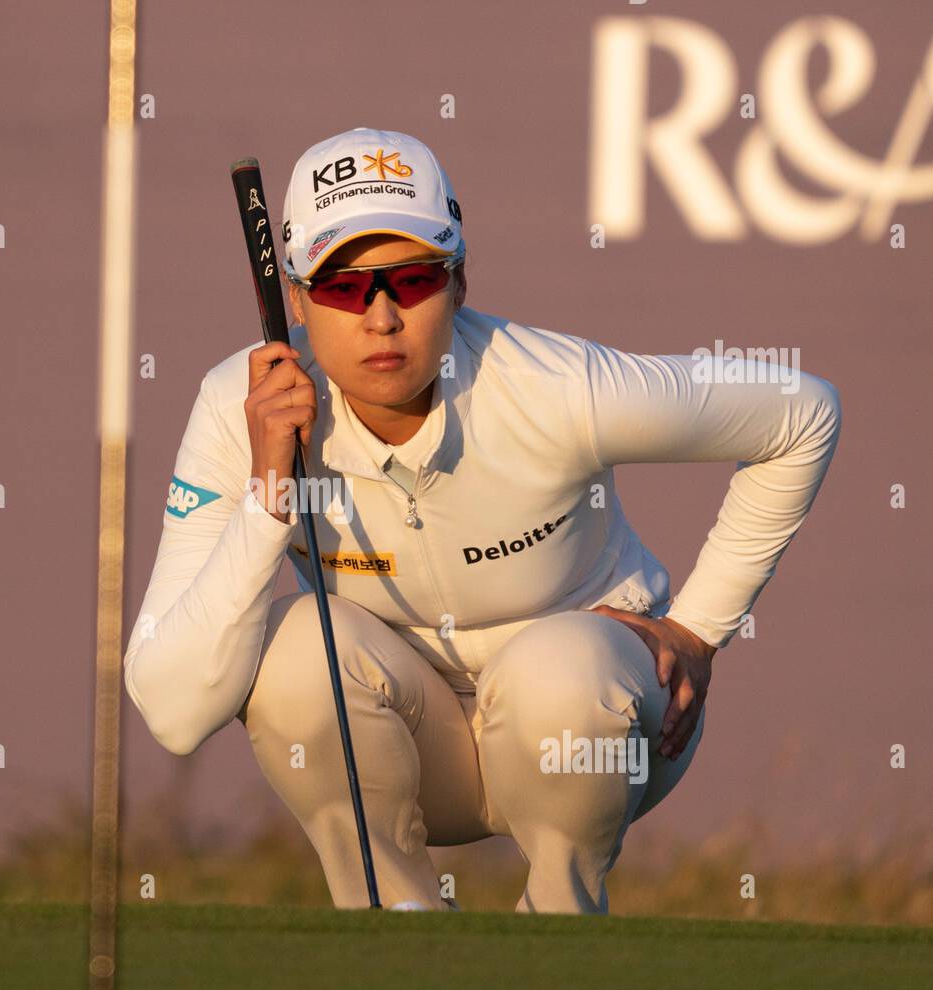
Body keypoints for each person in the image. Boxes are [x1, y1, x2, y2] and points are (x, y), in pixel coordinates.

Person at [124, 127, 842, 914]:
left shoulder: (554, 387)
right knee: (298, 650)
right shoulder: (245, 408)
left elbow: (801, 412)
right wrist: (268, 495)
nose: (383, 315)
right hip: (411, 737)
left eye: (413, 278)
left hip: (592, 726)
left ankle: (557, 940)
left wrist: (699, 630)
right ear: (294, 300)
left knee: (560, 669)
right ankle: (395, 940)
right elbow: (173, 711)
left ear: (460, 282)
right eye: (342, 287)